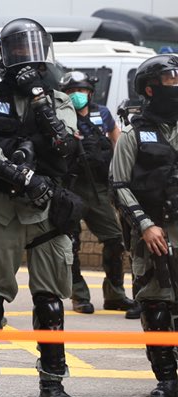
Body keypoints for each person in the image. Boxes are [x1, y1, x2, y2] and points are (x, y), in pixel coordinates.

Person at [0, 18, 83, 397]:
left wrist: (41, 102)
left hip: (48, 209)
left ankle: (53, 385)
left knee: (50, 300)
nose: (26, 58)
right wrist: (21, 177)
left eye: (32, 48)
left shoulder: (59, 100)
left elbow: (66, 145)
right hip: (0, 208)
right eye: (17, 50)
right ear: (3, 55)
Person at [109, 55, 178, 397]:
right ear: (150, 89)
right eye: (170, 79)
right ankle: (167, 379)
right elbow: (119, 184)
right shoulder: (134, 135)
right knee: (156, 305)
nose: (176, 84)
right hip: (151, 233)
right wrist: (146, 225)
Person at [60, 71, 139, 318]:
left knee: (115, 241)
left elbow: (118, 144)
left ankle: (115, 294)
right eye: (71, 91)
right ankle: (79, 296)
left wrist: (121, 179)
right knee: (70, 245)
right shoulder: (58, 115)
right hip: (71, 187)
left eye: (81, 90)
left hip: (99, 188)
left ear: (90, 92)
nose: (77, 96)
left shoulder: (102, 114)